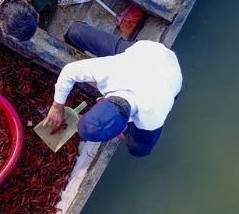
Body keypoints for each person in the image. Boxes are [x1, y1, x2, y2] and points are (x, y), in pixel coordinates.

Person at [44, 21, 182, 157]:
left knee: (139, 149)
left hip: (168, 79)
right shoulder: (111, 68)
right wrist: (57, 105)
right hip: (144, 54)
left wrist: (114, 122)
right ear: (102, 100)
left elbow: (128, 121)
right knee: (75, 31)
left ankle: (124, 132)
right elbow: (69, 71)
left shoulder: (152, 119)